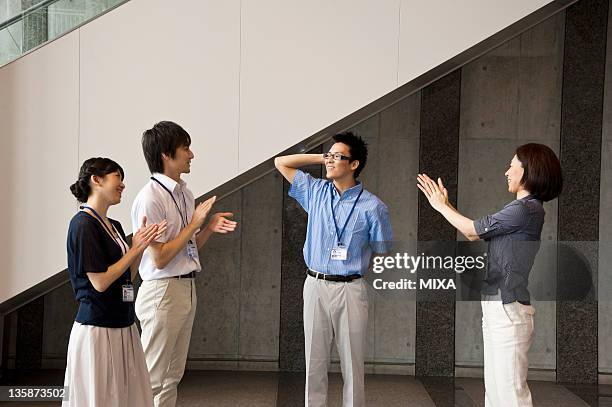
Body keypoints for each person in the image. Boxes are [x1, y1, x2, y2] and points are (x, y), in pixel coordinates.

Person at [416, 143, 562, 407]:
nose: (506, 172)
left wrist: (440, 206)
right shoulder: (526, 210)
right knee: (496, 393)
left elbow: (472, 231)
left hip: (508, 309)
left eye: (512, 165)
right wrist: (446, 204)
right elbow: (474, 229)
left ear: (528, 171)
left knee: (509, 395)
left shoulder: (524, 209)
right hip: (500, 307)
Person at [275, 131, 393, 407]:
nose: (330, 161)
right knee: (314, 362)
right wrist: (321, 156)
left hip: (351, 288)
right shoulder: (315, 191)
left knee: (352, 363)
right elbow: (282, 162)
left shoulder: (373, 207)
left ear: (354, 165)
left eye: (337, 156)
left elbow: (383, 249)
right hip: (315, 284)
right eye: (329, 155)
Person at [132, 121, 237, 407]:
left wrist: (208, 227)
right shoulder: (149, 198)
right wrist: (194, 224)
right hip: (162, 292)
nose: (192, 155)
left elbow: (187, 250)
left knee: (172, 376)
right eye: (185, 148)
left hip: (185, 288)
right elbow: (161, 258)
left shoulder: (184, 193)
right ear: (167, 154)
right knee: (152, 378)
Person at [64, 157, 167, 406]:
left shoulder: (115, 226)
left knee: (128, 397)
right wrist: (135, 249)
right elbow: (99, 282)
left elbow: (126, 277)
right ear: (96, 180)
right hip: (97, 330)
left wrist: (139, 247)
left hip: (124, 325)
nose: (122, 184)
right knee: (100, 398)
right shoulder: (82, 224)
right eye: (117, 176)